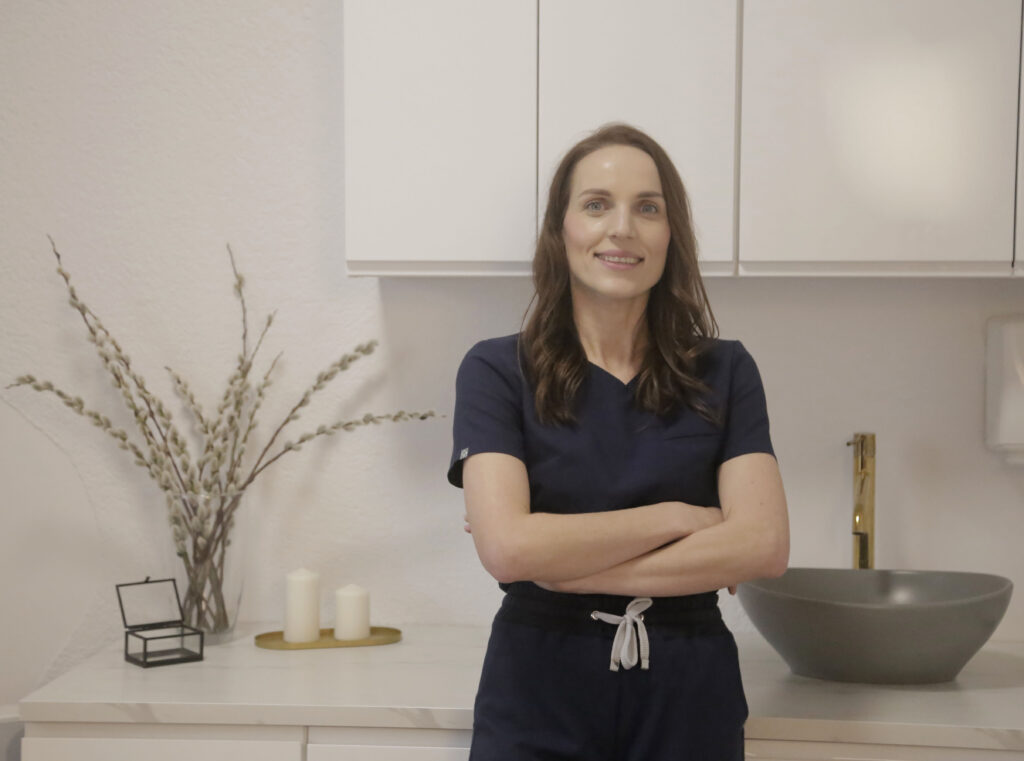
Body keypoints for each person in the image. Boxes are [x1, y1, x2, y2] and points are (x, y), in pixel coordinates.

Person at [447, 122, 789, 760]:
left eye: (648, 208)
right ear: (560, 230)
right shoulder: (496, 370)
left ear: (671, 234)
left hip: (690, 689)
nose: (622, 228)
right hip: (536, 687)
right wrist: (683, 518)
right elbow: (509, 548)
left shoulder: (726, 370)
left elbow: (764, 547)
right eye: (597, 204)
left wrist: (560, 566)